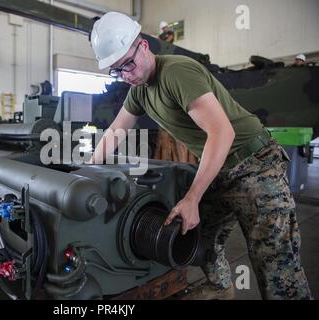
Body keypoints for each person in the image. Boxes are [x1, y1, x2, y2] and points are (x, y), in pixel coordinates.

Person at [89, 12, 312, 300]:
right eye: (117, 71)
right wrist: (87, 172)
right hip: (221, 169)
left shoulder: (176, 73)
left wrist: (192, 197)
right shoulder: (139, 91)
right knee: (198, 237)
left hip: (255, 165)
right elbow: (116, 130)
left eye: (128, 64)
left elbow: (222, 133)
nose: (127, 75)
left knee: (275, 262)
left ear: (143, 46)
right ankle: (220, 287)